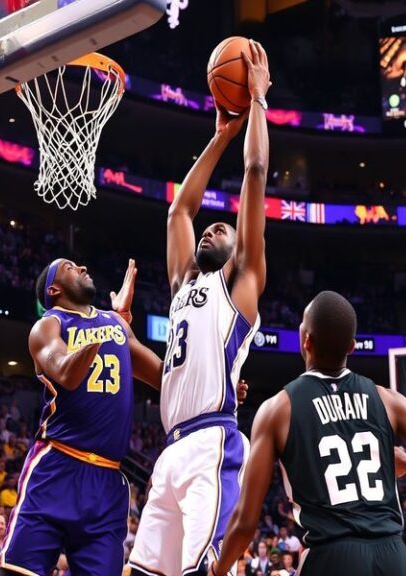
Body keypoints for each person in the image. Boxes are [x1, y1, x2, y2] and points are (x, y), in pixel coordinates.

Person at [209, 291, 406, 576]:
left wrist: (217, 569)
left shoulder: (277, 410)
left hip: (332, 556)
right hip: (393, 557)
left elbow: (245, 522)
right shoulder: (388, 401)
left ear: (306, 340)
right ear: (351, 346)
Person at [129, 39, 270, 576]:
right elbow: (179, 212)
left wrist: (257, 102)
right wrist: (219, 136)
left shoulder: (241, 282)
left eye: (222, 229)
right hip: (170, 450)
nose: (211, 228)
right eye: (209, 228)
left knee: (203, 571)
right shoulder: (185, 284)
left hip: (212, 440)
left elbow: (254, 172)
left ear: (238, 250)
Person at [0, 258, 165, 576]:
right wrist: (103, 330)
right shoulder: (48, 325)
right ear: (54, 289)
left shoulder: (115, 325)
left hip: (107, 480)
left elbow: (163, 377)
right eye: (70, 267)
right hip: (58, 467)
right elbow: (66, 373)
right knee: (16, 572)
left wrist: (218, 386)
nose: (83, 268)